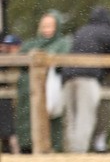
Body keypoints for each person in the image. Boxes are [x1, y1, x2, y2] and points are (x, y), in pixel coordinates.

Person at [60, 6, 110, 153]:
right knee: (85, 117)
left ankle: (70, 150)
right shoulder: (107, 32)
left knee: (71, 118)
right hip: (88, 77)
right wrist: (106, 71)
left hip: (68, 76)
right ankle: (79, 151)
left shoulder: (81, 31)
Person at [16, 10, 71, 153]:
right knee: (27, 119)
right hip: (27, 91)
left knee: (51, 119)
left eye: (50, 26)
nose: (47, 29)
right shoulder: (31, 44)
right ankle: (26, 145)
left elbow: (61, 63)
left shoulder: (63, 43)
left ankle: (52, 147)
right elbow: (20, 60)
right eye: (45, 26)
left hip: (51, 89)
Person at [0, 34, 22, 153]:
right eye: (7, 46)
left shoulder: (18, 59)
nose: (8, 48)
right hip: (5, 97)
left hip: (9, 97)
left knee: (10, 130)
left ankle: (16, 152)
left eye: (12, 46)